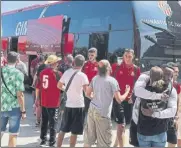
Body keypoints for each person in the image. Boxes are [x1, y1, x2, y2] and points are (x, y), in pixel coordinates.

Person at [83, 60, 130, 147]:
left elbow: (87, 94)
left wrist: (97, 98)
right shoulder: (112, 81)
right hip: (103, 114)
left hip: (92, 110)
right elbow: (119, 99)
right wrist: (127, 92)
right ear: (109, 68)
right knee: (104, 143)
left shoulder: (95, 78)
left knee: (88, 140)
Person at [131, 65, 177, 147]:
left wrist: (154, 114)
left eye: (170, 75)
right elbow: (137, 92)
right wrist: (159, 96)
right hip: (147, 131)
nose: (168, 78)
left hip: (154, 131)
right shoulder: (144, 83)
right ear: (160, 73)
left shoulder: (171, 90)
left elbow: (172, 111)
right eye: (165, 74)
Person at [57, 54, 89, 147]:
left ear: (74, 62)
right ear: (83, 64)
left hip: (68, 105)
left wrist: (66, 89)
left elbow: (59, 85)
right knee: (74, 132)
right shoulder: (83, 76)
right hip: (79, 106)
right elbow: (87, 92)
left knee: (63, 129)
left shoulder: (67, 72)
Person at [111, 48, 141, 147]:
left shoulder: (136, 69)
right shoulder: (116, 67)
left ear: (133, 57)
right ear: (123, 56)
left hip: (129, 101)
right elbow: (109, 81)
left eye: (129, 56)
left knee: (123, 126)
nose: (127, 58)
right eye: (126, 56)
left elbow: (138, 85)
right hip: (117, 99)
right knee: (121, 125)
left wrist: (133, 96)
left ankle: (115, 144)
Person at [36, 55, 62, 147]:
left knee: (44, 121)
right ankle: (52, 142)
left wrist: (37, 99)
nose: (58, 64)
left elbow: (38, 87)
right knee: (53, 123)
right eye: (57, 62)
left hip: (44, 101)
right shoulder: (58, 74)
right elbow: (62, 87)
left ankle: (43, 140)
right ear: (54, 63)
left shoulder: (42, 72)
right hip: (54, 102)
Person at [1, 51, 26, 147]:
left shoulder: (1, 71)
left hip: (2, 105)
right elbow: (20, 94)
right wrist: (23, 111)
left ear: (6, 59)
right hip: (14, 107)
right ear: (17, 61)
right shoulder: (18, 74)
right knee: (13, 134)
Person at [166, 62, 181, 147]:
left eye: (178, 72)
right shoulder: (160, 83)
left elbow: (178, 101)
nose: (177, 74)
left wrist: (176, 116)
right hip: (161, 117)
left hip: (172, 117)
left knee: (172, 141)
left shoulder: (177, 85)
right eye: (176, 72)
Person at [82, 47, 98, 121]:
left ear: (95, 55)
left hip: (94, 89)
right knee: (85, 107)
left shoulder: (98, 65)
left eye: (92, 55)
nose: (90, 56)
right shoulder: (84, 64)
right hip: (85, 89)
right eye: (89, 55)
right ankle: (85, 123)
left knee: (93, 106)